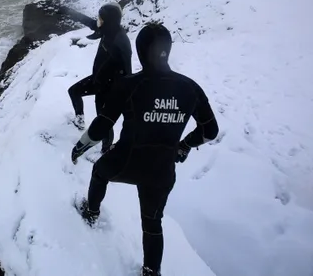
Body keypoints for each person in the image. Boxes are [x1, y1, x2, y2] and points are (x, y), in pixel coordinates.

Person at [70, 22, 219, 276]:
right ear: (167, 50)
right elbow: (210, 131)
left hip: (125, 162)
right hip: (161, 170)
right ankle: (151, 271)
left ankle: (91, 211)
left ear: (140, 51)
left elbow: (100, 127)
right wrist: (184, 145)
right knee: (152, 223)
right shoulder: (190, 88)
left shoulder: (128, 85)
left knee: (99, 171)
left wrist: (79, 147)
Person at [59, 2, 132, 153]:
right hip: (97, 79)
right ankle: (80, 120)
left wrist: (122, 92)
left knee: (103, 121)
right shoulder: (107, 29)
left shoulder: (120, 42)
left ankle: (106, 150)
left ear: (108, 21)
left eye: (101, 19)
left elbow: (127, 72)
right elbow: (91, 23)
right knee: (74, 91)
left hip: (109, 87)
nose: (98, 21)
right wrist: (69, 11)